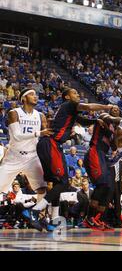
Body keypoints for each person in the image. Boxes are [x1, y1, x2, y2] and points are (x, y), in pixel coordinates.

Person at [23, 87, 113, 232]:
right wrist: (106, 106)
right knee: (64, 183)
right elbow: (88, 107)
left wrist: (96, 120)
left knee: (58, 184)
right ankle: (35, 211)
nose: (78, 94)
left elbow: (82, 121)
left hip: (50, 145)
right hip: (51, 144)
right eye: (75, 93)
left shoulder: (68, 110)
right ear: (67, 97)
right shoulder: (69, 104)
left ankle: (53, 220)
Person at [0, 89, 51, 204]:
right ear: (23, 98)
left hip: (32, 157)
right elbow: (17, 136)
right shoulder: (14, 113)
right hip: (14, 156)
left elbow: (47, 136)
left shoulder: (40, 115)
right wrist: (39, 133)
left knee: (42, 189)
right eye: (32, 94)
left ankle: (35, 213)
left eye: (36, 94)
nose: (35, 96)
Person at [83, 105, 122, 230]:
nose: (115, 109)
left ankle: (99, 219)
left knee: (108, 188)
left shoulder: (114, 129)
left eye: (117, 109)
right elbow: (111, 119)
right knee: (102, 185)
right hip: (95, 151)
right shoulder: (104, 117)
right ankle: (89, 217)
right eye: (113, 108)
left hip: (103, 155)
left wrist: (118, 136)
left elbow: (114, 147)